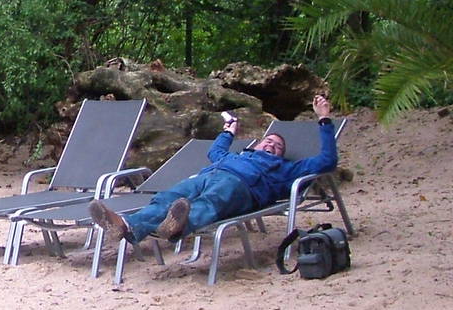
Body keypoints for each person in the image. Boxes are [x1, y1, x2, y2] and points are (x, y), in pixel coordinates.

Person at [89, 93, 338, 249]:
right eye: (267, 141)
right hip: (207, 175)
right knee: (167, 197)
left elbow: (327, 161)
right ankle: (124, 225)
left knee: (211, 200)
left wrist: (324, 119)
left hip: (242, 187)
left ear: (281, 154)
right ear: (257, 144)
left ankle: (177, 226)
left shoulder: (286, 168)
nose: (271, 144)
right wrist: (229, 130)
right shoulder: (238, 155)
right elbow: (215, 152)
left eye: (278, 146)